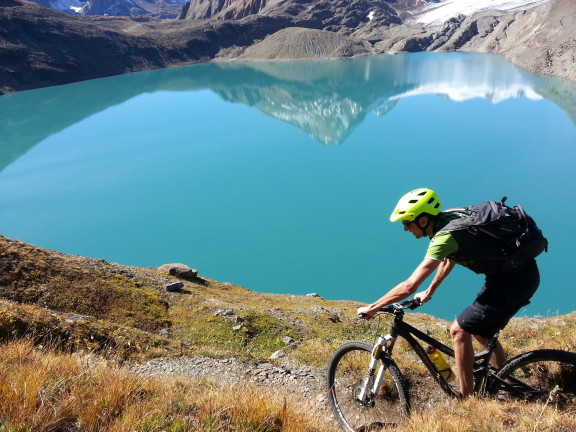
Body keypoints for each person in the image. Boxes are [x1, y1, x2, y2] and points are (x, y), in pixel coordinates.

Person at [357, 188, 540, 397]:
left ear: (423, 220)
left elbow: (409, 286)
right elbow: (449, 258)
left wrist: (372, 307)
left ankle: (467, 401)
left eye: (407, 222)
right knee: (480, 330)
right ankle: (508, 383)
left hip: (514, 281)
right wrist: (430, 290)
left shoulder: (444, 237)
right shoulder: (450, 219)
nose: (405, 229)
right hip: (511, 276)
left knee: (459, 330)